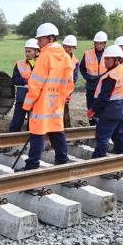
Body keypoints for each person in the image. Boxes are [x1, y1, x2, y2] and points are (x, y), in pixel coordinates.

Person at [20, 23, 74, 169]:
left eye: (40, 39)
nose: (38, 42)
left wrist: (27, 104)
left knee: (37, 133)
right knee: (56, 130)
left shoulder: (45, 56)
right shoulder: (65, 56)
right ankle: (62, 161)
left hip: (41, 103)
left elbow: (35, 84)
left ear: (50, 38)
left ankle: (32, 165)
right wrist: (60, 97)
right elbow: (69, 84)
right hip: (57, 103)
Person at [88, 45, 123, 158]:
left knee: (102, 135)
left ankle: (99, 157)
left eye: (108, 59)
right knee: (118, 132)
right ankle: (121, 152)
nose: (105, 62)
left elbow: (104, 97)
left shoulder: (111, 76)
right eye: (105, 59)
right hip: (122, 109)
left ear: (116, 59)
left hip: (110, 111)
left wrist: (93, 109)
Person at [9, 38, 40, 132]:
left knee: (33, 123)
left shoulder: (42, 63)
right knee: (17, 121)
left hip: (36, 98)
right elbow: (14, 79)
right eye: (26, 51)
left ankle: (31, 141)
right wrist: (26, 80)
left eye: (29, 51)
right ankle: (10, 141)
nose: (27, 53)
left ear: (37, 51)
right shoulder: (19, 64)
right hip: (22, 97)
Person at [79, 31, 107, 125]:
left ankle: (101, 126)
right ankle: (92, 126)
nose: (99, 45)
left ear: (104, 44)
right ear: (94, 43)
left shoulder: (109, 54)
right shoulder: (87, 53)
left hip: (104, 85)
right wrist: (87, 77)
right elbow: (82, 67)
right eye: (97, 43)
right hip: (91, 85)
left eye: (101, 43)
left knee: (103, 106)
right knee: (91, 107)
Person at [62, 35, 78, 128]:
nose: (68, 49)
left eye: (70, 47)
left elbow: (74, 78)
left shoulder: (75, 61)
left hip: (67, 89)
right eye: (66, 46)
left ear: (74, 48)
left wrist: (69, 92)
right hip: (56, 87)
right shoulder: (58, 57)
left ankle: (66, 127)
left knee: (65, 107)